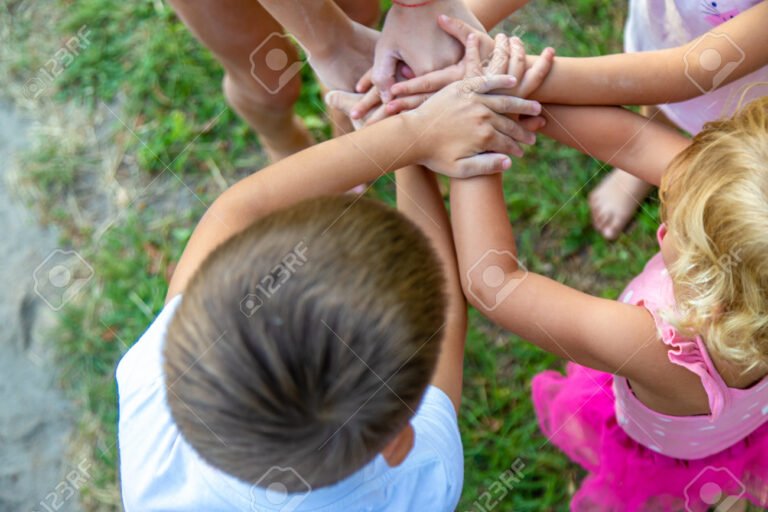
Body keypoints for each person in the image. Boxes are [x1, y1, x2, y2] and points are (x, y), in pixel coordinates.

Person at [116, 49, 545, 511]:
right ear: (399, 441)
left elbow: (236, 212)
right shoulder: (417, 482)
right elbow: (440, 334)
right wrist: (409, 134)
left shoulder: (155, 380)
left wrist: (415, 134)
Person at [449, 37, 768, 511]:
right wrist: (501, 102)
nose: (668, 205)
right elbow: (635, 141)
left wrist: (469, 147)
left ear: (711, 291)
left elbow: (495, 283)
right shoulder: (742, 213)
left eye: (675, 223)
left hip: (663, 453)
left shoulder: (651, 346)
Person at [369, 1, 768, 239]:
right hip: (671, 37)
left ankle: (658, 165)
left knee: (735, 158)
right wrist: (452, 27)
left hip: (746, 84)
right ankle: (643, 164)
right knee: (659, 104)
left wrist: (509, 74)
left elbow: (690, 71)